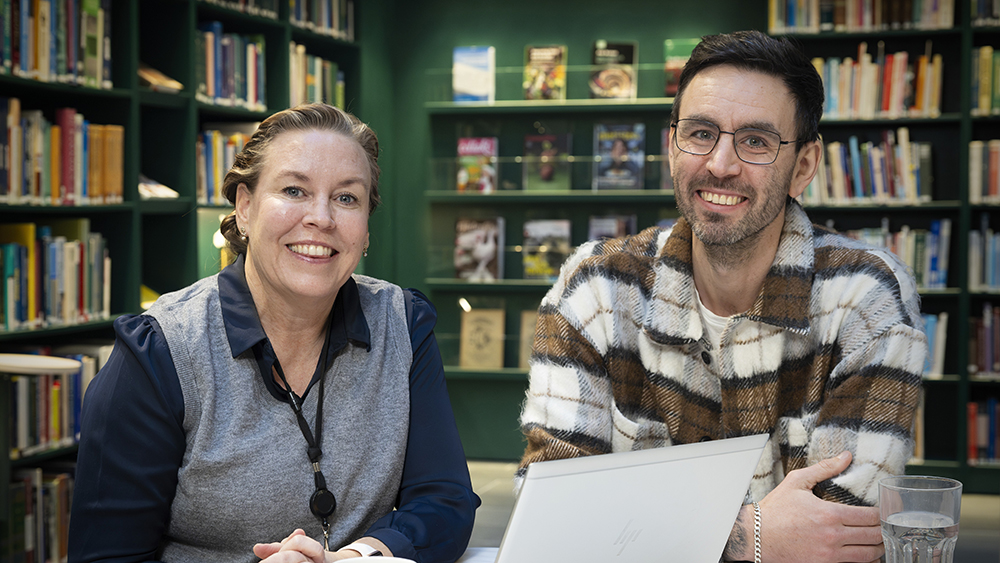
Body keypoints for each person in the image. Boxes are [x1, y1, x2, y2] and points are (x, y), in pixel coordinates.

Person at [517, 30, 925, 563]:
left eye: (755, 141)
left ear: (803, 166)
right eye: (701, 133)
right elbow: (551, 513)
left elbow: (839, 538)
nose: (720, 164)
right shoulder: (595, 288)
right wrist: (750, 536)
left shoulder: (867, 301)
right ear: (672, 145)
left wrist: (637, 527)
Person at [69, 103, 480, 563]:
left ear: (365, 230)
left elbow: (444, 501)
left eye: (347, 198)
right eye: (294, 190)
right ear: (245, 208)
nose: (321, 218)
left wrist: (362, 557)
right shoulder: (160, 352)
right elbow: (106, 557)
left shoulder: (403, 324)